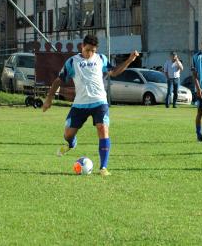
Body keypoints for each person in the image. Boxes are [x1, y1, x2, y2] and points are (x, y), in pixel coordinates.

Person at [43, 35, 139, 176]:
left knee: (103, 129)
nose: (90, 54)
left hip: (99, 102)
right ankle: (71, 144)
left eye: (93, 51)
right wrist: (49, 98)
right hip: (80, 104)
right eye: (88, 50)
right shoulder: (72, 62)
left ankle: (103, 167)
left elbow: (114, 72)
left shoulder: (101, 59)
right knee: (68, 134)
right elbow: (59, 80)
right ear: (82, 46)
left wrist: (130, 60)